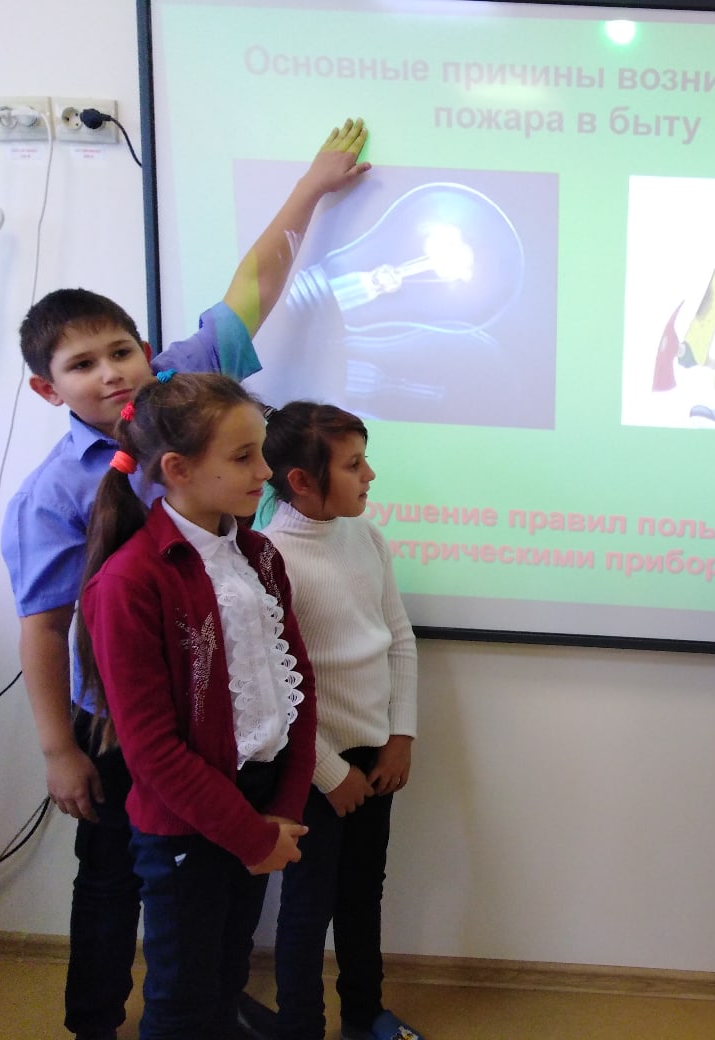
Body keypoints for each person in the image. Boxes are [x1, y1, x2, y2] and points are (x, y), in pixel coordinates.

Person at [0, 118, 370, 1040]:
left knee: (209, 909)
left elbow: (254, 285)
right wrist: (60, 749)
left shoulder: (191, 392)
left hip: (219, 715)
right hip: (123, 721)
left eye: (120, 351)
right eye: (81, 366)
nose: (111, 374)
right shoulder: (56, 496)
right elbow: (45, 627)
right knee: (118, 882)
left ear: (147, 349)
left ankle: (208, 1005)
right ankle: (99, 1020)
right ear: (48, 388)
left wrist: (312, 187)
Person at [76, 372, 318, 1039]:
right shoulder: (131, 580)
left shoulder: (259, 555)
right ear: (178, 470)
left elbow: (297, 686)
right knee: (183, 999)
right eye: (243, 457)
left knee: (226, 979)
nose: (265, 472)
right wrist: (252, 836)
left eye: (261, 452)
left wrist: (282, 809)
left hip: (261, 807)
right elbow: (152, 751)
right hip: (186, 825)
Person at [259, 402, 421, 1040]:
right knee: (307, 905)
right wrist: (328, 773)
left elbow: (398, 639)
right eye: (354, 465)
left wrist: (400, 736)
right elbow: (278, 687)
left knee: (362, 895)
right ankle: (301, 1025)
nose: (369, 475)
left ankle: (364, 1014)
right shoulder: (271, 559)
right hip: (311, 769)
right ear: (301, 480)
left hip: (375, 757)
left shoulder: (366, 537)